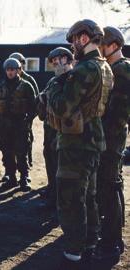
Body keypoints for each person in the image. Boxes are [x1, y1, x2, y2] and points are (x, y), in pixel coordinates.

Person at [47, 19, 113, 269]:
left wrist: (58, 80)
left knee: (71, 198)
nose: (72, 46)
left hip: (77, 143)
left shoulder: (85, 69)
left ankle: (74, 249)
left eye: (74, 40)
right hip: (93, 140)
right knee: (88, 196)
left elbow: (62, 107)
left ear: (83, 38)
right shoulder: (104, 66)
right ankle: (88, 244)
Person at [94, 26, 129, 262]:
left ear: (114, 45)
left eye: (102, 44)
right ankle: (114, 237)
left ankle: (112, 242)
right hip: (111, 136)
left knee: (109, 186)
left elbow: (118, 111)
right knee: (112, 185)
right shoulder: (115, 68)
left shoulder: (122, 69)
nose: (99, 49)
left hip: (112, 137)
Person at [37, 47, 74, 210]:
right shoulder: (53, 80)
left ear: (67, 59)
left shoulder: (73, 79)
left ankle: (62, 201)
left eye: (58, 60)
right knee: (51, 163)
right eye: (52, 62)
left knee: (63, 169)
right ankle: (53, 193)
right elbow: (43, 100)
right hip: (49, 130)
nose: (55, 63)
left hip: (65, 132)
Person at [0, 58, 35, 191]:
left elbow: (34, 107)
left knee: (22, 152)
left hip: (20, 124)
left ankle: (24, 178)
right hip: (5, 126)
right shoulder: (0, 86)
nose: (10, 72)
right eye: (8, 70)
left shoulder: (27, 86)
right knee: (7, 152)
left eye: (13, 70)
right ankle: (11, 177)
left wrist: (27, 121)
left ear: (18, 70)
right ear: (6, 71)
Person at [9, 52, 40, 168]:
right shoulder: (8, 78)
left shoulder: (29, 80)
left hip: (25, 119)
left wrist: (29, 117)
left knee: (26, 141)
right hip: (10, 119)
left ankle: (27, 164)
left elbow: (36, 102)